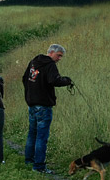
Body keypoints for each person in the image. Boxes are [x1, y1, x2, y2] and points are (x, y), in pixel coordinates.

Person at [22, 43, 73, 173]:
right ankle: (38, 167)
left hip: (32, 104)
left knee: (32, 134)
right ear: (51, 52)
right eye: (59, 55)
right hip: (44, 106)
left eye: (61, 56)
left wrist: (30, 93)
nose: (59, 58)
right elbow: (54, 80)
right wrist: (67, 80)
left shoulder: (34, 62)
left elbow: (24, 79)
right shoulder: (50, 65)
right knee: (41, 137)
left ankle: (29, 161)